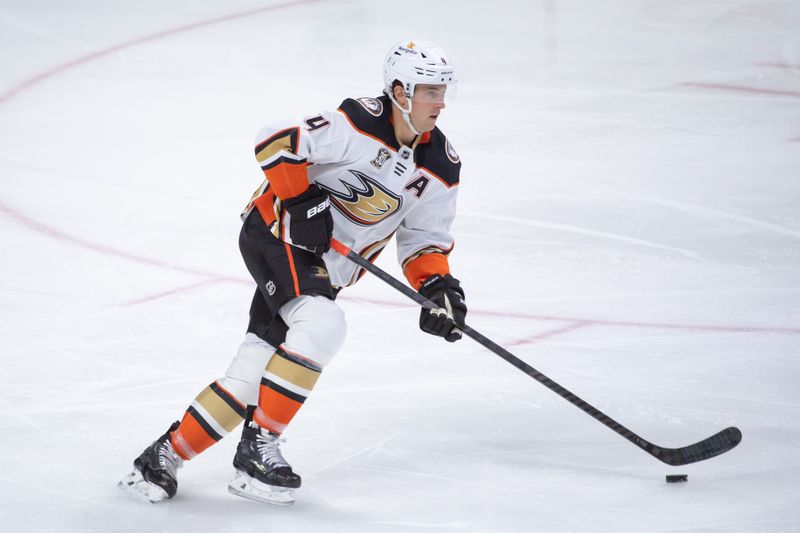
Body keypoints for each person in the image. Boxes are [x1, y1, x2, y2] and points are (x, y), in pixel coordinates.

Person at [118, 39, 467, 506]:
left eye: (444, 91)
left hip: (324, 268)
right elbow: (276, 142)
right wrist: (301, 200)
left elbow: (423, 240)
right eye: (430, 91)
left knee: (254, 373)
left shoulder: (441, 166)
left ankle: (162, 457)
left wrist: (437, 288)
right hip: (274, 235)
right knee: (323, 323)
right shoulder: (359, 121)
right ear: (400, 91)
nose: (440, 103)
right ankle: (258, 447)